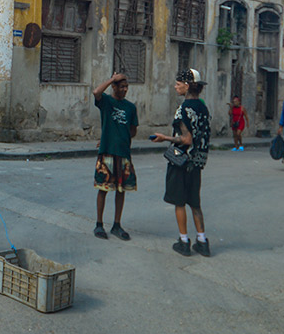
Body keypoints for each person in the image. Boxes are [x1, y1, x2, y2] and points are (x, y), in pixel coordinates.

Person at [150, 68, 212, 257]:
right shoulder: (203, 107)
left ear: (187, 86)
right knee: (195, 202)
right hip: (197, 162)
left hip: (181, 160)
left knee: (179, 202)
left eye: (178, 84)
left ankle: (183, 241)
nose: (176, 87)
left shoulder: (183, 109)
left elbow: (186, 139)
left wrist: (165, 138)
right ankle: (202, 241)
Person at [90, 72, 138, 241]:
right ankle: (99, 224)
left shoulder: (131, 107)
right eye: (121, 87)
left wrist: (119, 136)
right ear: (114, 87)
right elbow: (96, 92)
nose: (124, 90)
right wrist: (112, 78)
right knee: (103, 188)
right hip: (107, 151)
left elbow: (133, 130)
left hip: (123, 153)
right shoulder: (107, 102)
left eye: (126, 87)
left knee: (121, 189)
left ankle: (117, 224)